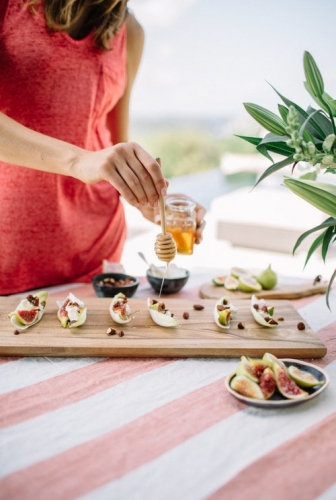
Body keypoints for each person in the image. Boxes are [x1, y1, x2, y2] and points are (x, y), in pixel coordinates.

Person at [0, 0, 206, 295]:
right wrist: (80, 161)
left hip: (97, 253)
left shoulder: (130, 30)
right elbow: (89, 159)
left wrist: (148, 197)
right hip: (8, 254)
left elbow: (112, 141)